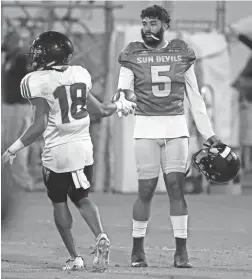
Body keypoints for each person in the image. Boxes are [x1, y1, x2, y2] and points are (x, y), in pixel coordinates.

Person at [1, 31, 136, 271]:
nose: (35, 57)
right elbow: (102, 111)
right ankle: (101, 235)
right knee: (82, 198)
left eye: (40, 53)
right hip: (84, 149)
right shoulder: (80, 74)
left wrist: (13, 149)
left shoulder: (37, 80)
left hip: (58, 153)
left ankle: (75, 257)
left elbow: (39, 125)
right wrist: (120, 104)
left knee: (59, 202)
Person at [117, 5, 224, 268]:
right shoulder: (132, 53)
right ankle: (137, 249)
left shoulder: (181, 52)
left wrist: (208, 134)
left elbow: (195, 97)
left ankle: (181, 251)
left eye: (153, 23)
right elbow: (122, 92)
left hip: (176, 129)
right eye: (144, 23)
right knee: (146, 190)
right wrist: (123, 102)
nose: (147, 28)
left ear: (165, 25)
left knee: (176, 189)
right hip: (145, 128)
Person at [1, 31, 35, 191]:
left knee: (17, 143)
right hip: (8, 105)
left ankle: (24, 181)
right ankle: (12, 180)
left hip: (20, 106)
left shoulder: (22, 58)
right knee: (7, 143)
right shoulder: (8, 58)